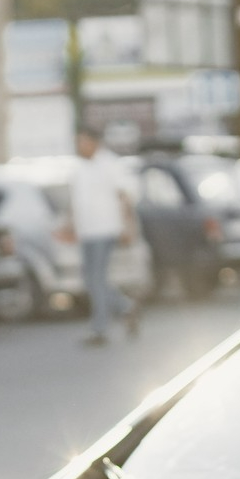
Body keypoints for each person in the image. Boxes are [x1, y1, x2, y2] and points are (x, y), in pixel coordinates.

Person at [70, 125, 140, 346]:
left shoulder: (110, 164)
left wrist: (128, 227)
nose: (80, 146)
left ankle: (100, 329)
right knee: (91, 280)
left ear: (94, 142)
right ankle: (126, 306)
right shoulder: (81, 167)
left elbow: (125, 196)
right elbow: (78, 201)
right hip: (87, 230)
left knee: (97, 279)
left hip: (105, 229)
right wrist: (70, 225)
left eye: (83, 141)